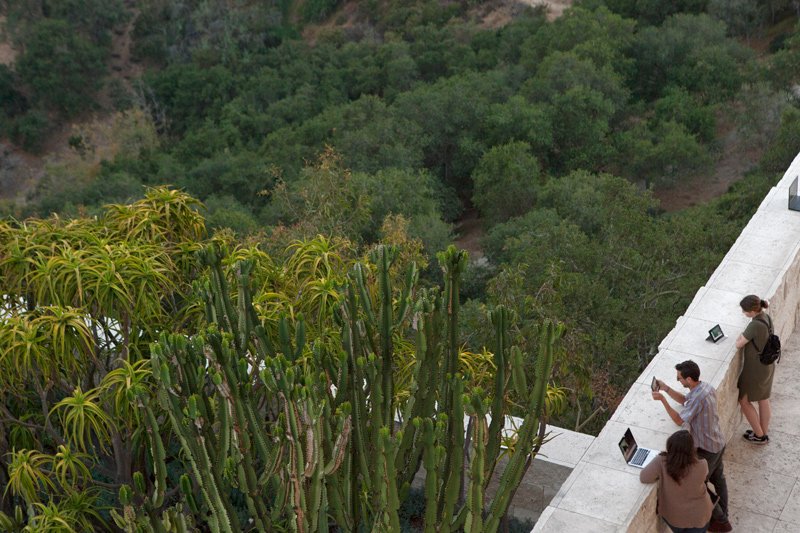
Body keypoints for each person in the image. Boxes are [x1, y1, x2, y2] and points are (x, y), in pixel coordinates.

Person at [653, 360, 731, 533]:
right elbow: (684, 401)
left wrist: (663, 400)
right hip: (718, 442)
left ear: (689, 379)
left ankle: (720, 521)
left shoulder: (698, 397)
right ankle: (724, 516)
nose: (678, 380)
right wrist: (666, 388)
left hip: (707, 449)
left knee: (698, 486)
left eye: (679, 378)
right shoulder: (704, 387)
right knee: (719, 479)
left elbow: (679, 420)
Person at [640, 430, 713, 532]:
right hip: (700, 515)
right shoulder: (702, 465)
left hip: (674, 517)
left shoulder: (661, 461)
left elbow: (644, 477)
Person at [736, 295, 775, 445]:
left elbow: (739, 344)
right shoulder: (766, 318)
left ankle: (759, 435)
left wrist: (740, 336)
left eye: (744, 311)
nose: (743, 313)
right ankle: (763, 432)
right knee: (763, 398)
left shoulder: (755, 325)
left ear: (752, 311)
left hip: (755, 369)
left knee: (744, 400)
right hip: (767, 366)